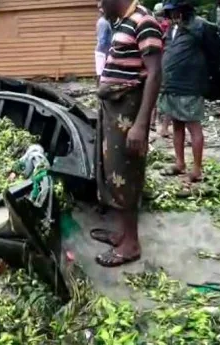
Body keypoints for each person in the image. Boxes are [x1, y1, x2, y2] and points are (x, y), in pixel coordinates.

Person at [91, 0, 163, 267]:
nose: (99, 5)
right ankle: (121, 233)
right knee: (113, 172)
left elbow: (155, 74)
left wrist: (141, 124)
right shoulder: (123, 22)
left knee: (126, 174)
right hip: (114, 111)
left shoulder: (144, 22)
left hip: (129, 113)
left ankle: (131, 244)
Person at [159, 0, 220, 183]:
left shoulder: (200, 26)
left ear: (184, 10)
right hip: (172, 84)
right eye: (170, 13)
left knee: (193, 126)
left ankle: (197, 169)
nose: (172, 15)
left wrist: (207, 75)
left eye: (175, 11)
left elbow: (215, 56)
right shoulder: (172, 29)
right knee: (177, 124)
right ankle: (180, 163)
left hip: (190, 85)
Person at [152, 2, 173, 138]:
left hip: (156, 63)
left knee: (155, 93)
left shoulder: (153, 26)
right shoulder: (169, 27)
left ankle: (153, 122)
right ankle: (163, 127)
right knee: (168, 94)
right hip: (166, 63)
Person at [95, 1, 112, 83]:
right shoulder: (103, 23)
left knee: (101, 70)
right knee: (101, 71)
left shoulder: (105, 22)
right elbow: (102, 40)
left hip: (102, 50)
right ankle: (99, 89)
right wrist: (107, 53)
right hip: (102, 51)